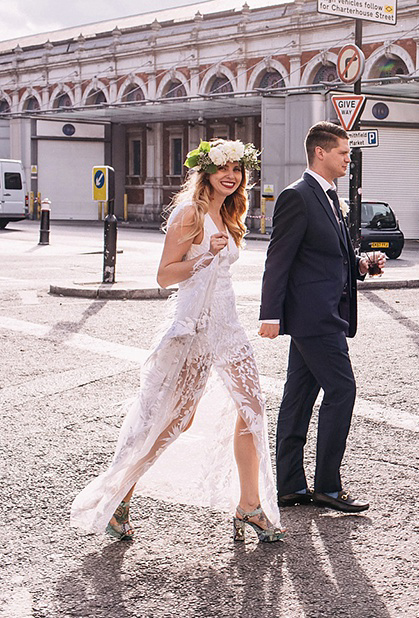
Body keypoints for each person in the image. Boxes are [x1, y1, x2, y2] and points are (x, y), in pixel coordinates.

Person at [70, 139, 285, 543]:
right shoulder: (191, 213)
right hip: (193, 328)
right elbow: (165, 275)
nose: (232, 175)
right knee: (174, 420)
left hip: (228, 326)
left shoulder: (229, 213)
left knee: (252, 406)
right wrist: (204, 257)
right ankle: (118, 496)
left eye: (238, 170)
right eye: (224, 168)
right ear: (206, 172)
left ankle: (250, 505)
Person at [259, 121, 384, 514]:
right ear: (321, 153)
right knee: (342, 391)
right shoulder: (297, 196)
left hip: (325, 311)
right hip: (315, 316)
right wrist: (270, 314)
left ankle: (290, 486)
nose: (349, 159)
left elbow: (329, 255)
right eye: (344, 153)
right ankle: (328, 486)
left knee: (298, 398)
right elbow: (278, 259)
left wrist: (362, 265)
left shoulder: (330, 197)